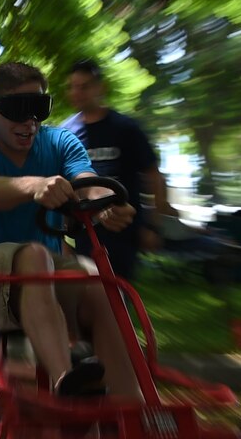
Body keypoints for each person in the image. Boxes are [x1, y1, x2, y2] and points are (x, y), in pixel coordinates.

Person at [0, 61, 140, 401]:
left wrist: (105, 202)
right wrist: (35, 185)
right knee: (34, 255)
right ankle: (65, 382)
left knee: (96, 278)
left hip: (42, 283)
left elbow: (87, 181)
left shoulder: (60, 141)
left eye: (39, 108)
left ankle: (132, 408)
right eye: (17, 109)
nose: (29, 121)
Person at [60, 59, 168, 282]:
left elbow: (154, 176)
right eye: (72, 87)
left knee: (119, 292)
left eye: (84, 86)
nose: (76, 93)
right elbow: (61, 183)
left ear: (101, 87)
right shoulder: (66, 133)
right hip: (85, 232)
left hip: (123, 229)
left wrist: (153, 225)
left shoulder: (126, 128)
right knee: (87, 292)